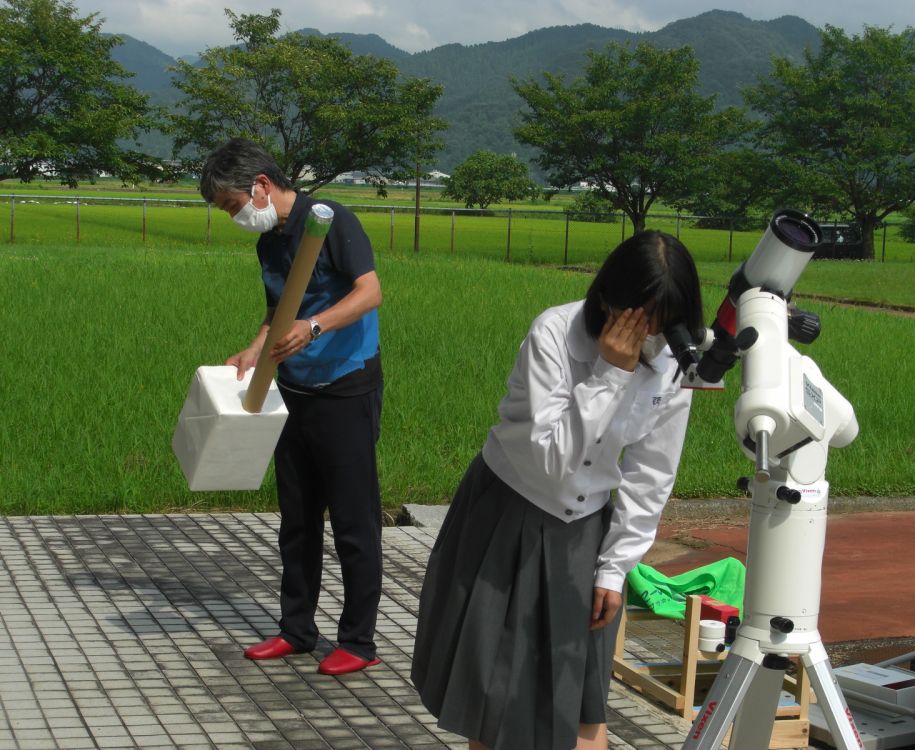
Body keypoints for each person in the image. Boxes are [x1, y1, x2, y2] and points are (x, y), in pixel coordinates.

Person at [410, 230, 704, 750]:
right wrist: (611, 376)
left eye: (663, 322)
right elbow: (550, 462)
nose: (648, 334)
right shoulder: (554, 333)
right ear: (610, 298)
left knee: (581, 694)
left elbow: (651, 474)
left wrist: (615, 568)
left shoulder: (671, 359)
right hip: (509, 513)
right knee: (496, 699)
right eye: (639, 316)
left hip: (584, 527)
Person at [199, 138, 384, 676]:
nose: (235, 216)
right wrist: (257, 347)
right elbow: (278, 308)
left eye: (233, 205)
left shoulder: (332, 221)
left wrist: (315, 326)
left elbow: (370, 292)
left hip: (346, 387)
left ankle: (359, 641)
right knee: (297, 521)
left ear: (259, 185)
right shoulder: (270, 242)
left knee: (353, 520)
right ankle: (297, 629)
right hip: (294, 392)